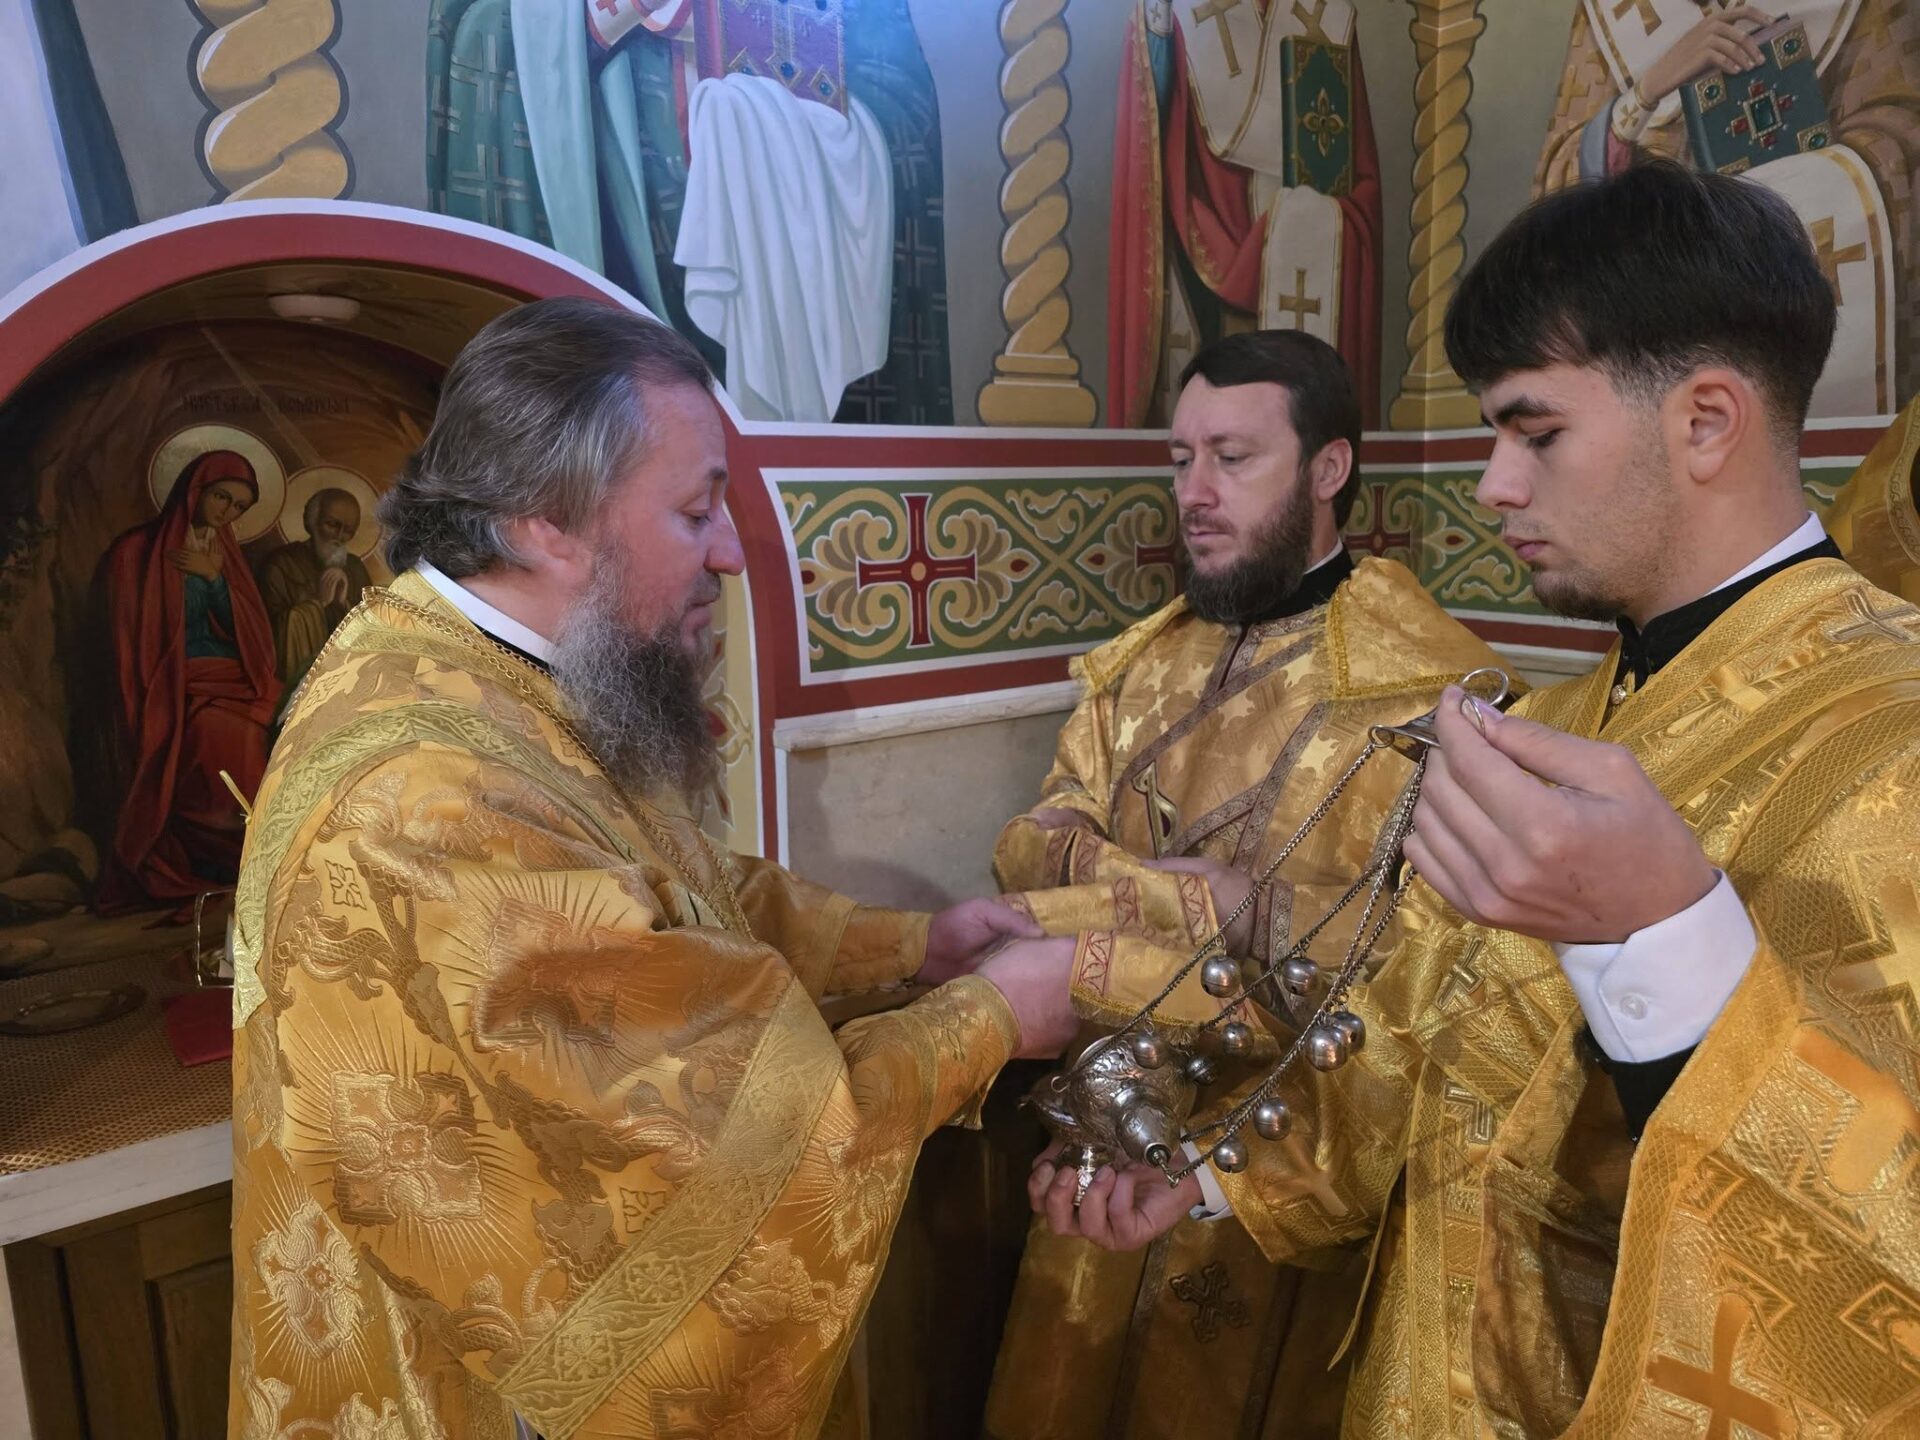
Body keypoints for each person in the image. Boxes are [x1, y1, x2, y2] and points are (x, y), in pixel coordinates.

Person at [1036, 160, 1920, 1435]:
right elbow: (1414, 1039)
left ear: (1707, 421)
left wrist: (1668, 937)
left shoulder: (1891, 730)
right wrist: (1217, 1176)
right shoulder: (1544, 725)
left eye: (1535, 432)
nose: (1495, 484)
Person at [226, 298, 1076, 1440]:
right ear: (544, 522)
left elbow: (653, 887)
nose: (729, 552)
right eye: (695, 511)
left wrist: (910, 944)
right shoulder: (424, 799)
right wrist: (988, 1019)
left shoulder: (476, 673)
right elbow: (724, 1163)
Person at [984, 332, 1500, 1440]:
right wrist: (1189, 897)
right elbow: (1027, 843)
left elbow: (1419, 972)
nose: (1195, 492)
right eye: (1182, 459)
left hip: (1266, 1167)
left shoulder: (1425, 693)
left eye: (1233, 457)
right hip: (1094, 1134)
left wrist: (1191, 901)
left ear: (1328, 468)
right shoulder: (1141, 661)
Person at [98, 450, 280, 913]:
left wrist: (215, 580)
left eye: (239, 506)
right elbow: (129, 636)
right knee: (216, 732)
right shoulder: (137, 550)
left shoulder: (225, 555)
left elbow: (251, 634)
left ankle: (252, 848)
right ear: (195, 490)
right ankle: (219, 848)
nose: (227, 511)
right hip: (170, 678)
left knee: (256, 730)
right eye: (221, 497)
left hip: (228, 675)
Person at [255, 486, 371, 688]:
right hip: (297, 680)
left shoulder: (355, 568)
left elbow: (373, 629)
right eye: (332, 525)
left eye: (348, 531)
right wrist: (319, 602)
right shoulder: (282, 563)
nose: (339, 536)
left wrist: (344, 605)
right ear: (312, 522)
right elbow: (267, 632)